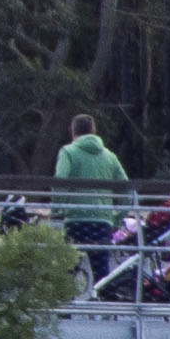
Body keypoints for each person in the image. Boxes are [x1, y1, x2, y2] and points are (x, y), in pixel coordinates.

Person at [53, 113, 129, 295]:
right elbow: (127, 188)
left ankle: (66, 314)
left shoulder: (68, 152)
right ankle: (106, 313)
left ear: (73, 131)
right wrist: (117, 220)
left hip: (75, 221)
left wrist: (57, 208)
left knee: (67, 269)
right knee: (102, 273)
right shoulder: (110, 156)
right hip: (102, 223)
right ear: (94, 131)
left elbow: (60, 180)